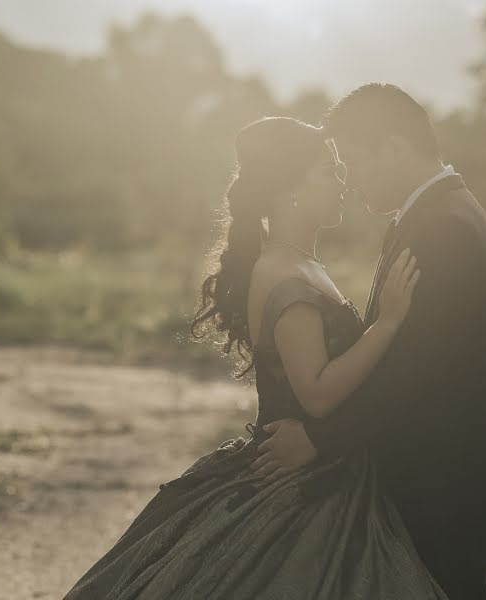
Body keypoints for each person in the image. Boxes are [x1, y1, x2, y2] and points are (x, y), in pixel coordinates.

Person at [61, 116, 449, 599]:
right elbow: (318, 393)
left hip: (329, 470)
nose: (343, 181)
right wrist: (387, 324)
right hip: (301, 485)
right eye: (328, 172)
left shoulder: (302, 262)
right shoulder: (285, 274)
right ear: (289, 190)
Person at [251, 84, 486, 600]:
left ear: (394, 148)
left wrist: (318, 439)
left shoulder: (445, 227)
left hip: (446, 475)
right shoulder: (431, 214)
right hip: (437, 468)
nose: (349, 180)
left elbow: (418, 368)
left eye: (353, 161)